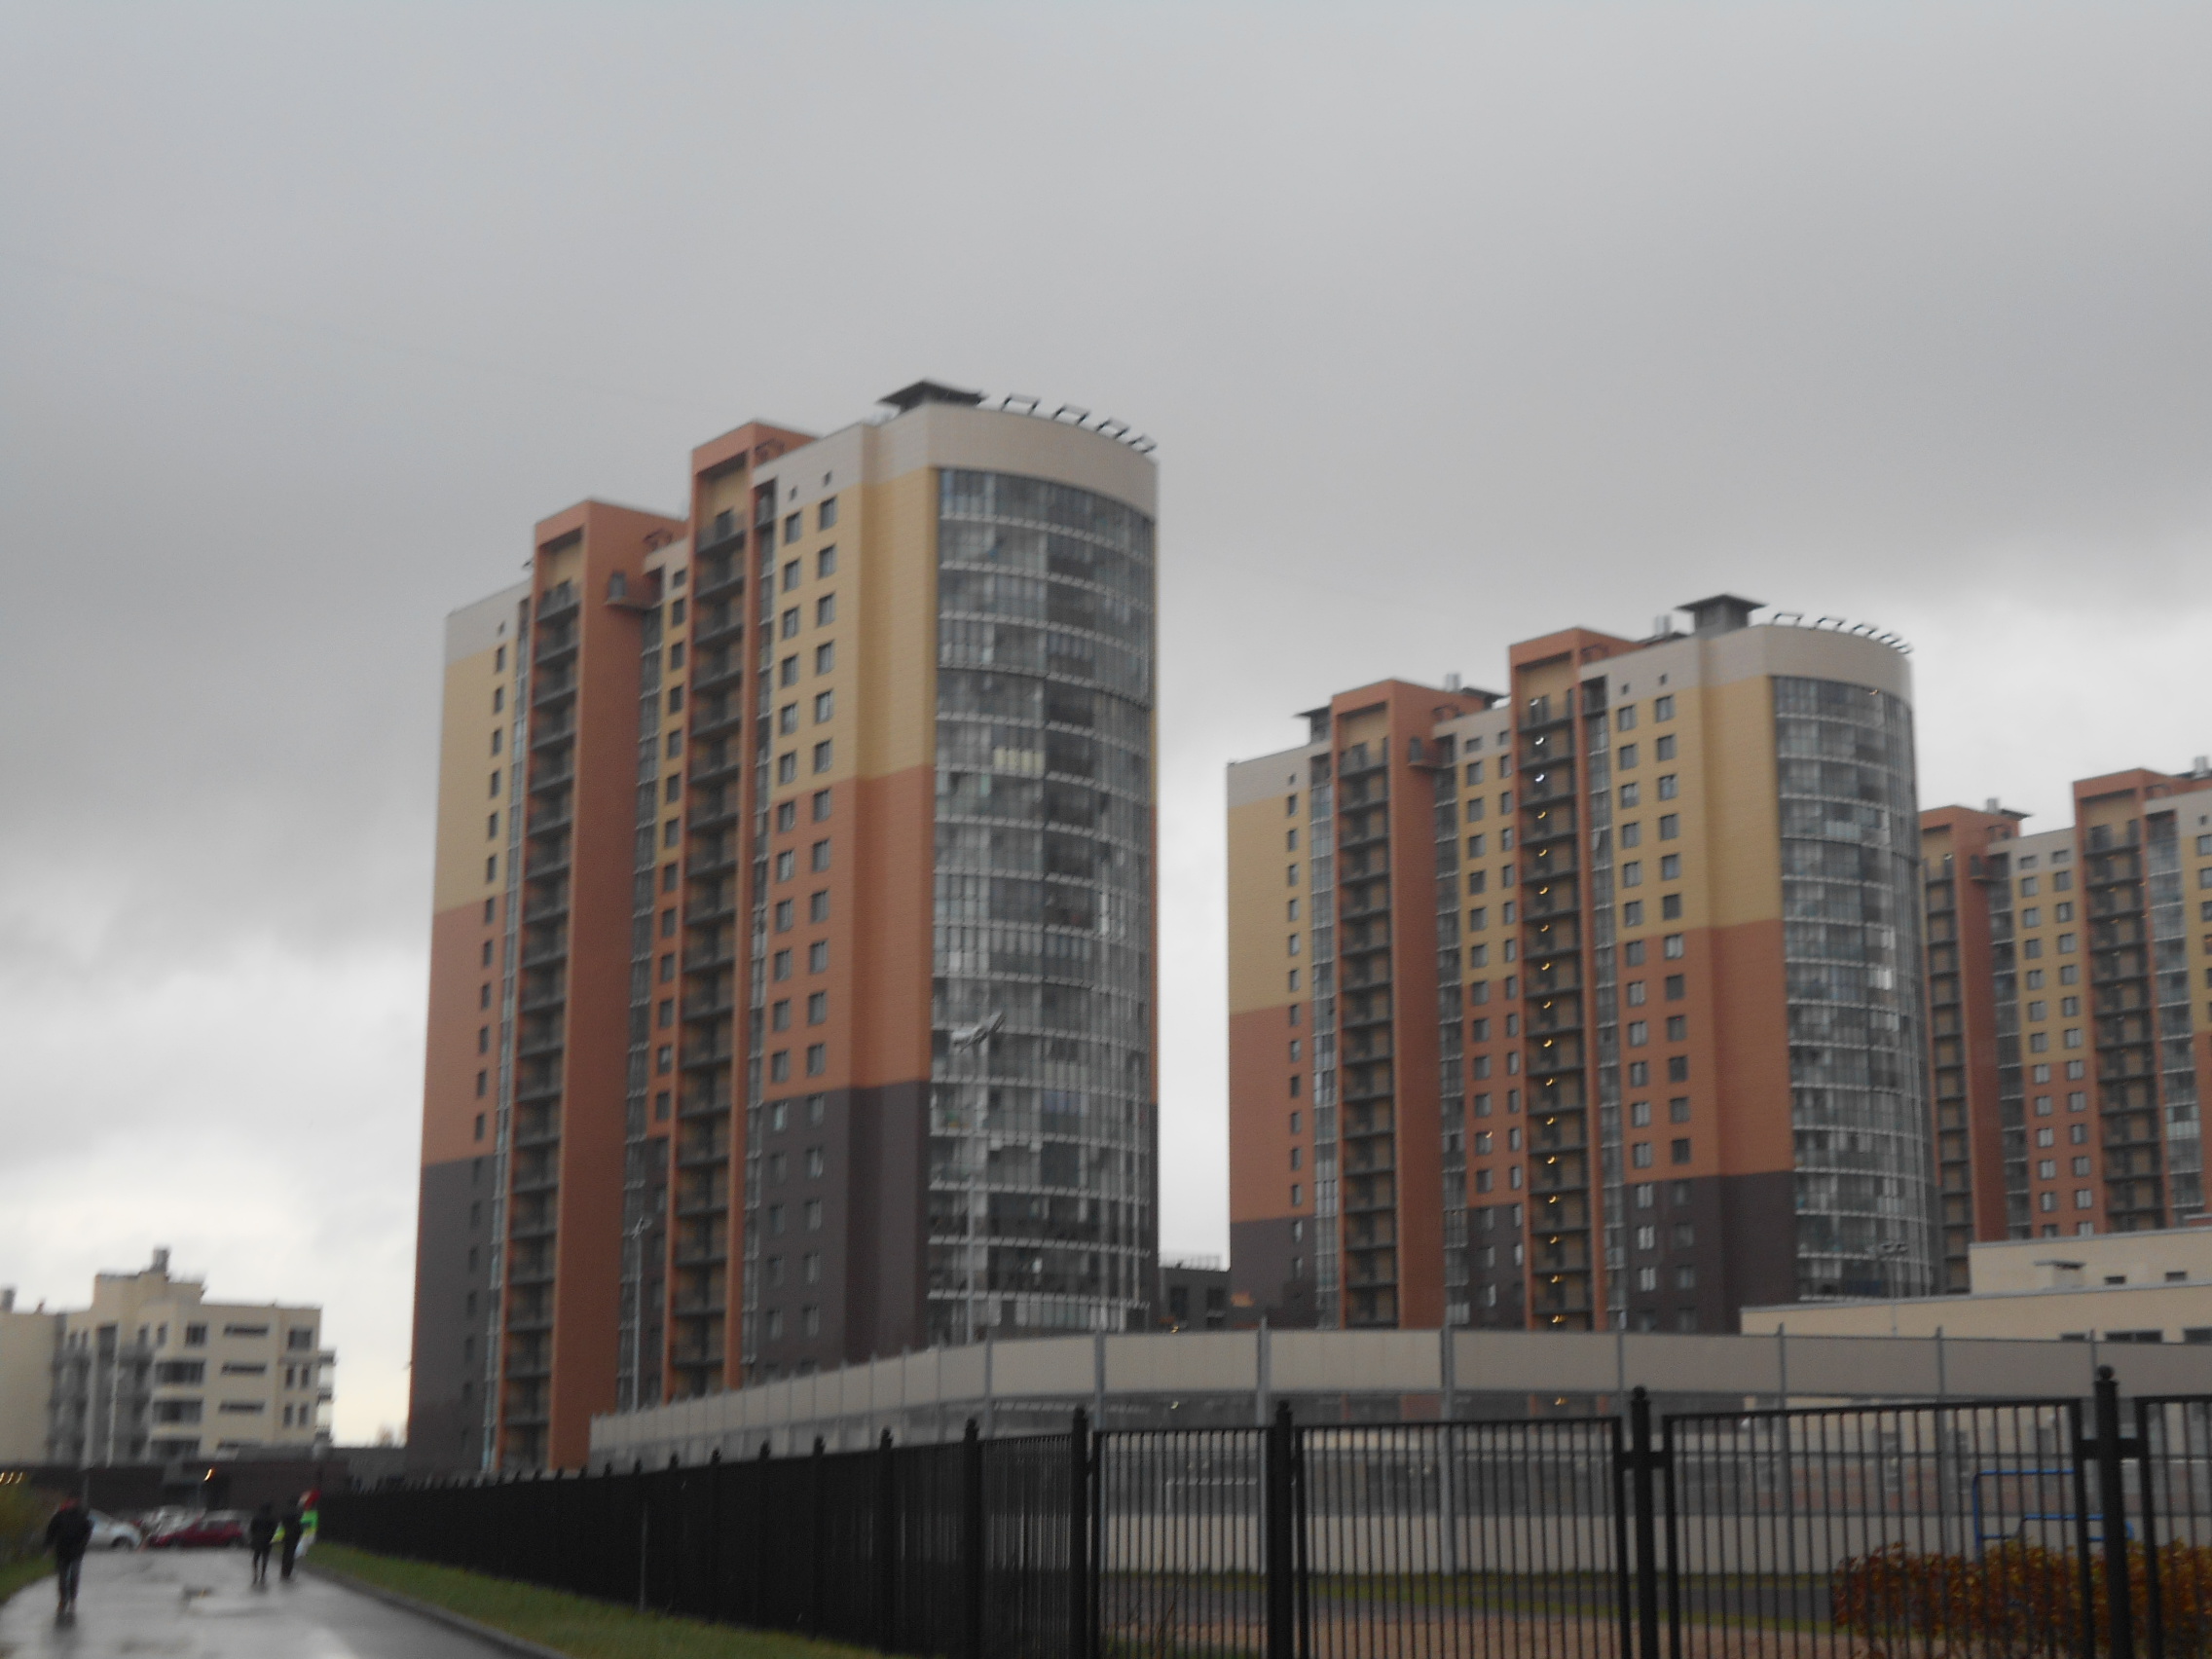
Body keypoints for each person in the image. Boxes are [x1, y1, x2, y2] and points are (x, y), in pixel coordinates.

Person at [44, 1498, 93, 1616]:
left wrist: (83, 1544)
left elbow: (87, 1531)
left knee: (74, 1576)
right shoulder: (59, 1517)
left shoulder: (81, 1517)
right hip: (62, 1552)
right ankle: (62, 1600)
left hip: (76, 1552)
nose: (70, 1504)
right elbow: (50, 1531)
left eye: (72, 1502)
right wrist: (48, 1546)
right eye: (69, 1502)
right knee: (62, 1579)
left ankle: (72, 1600)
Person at [247, 1503, 277, 1585]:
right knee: (265, 1557)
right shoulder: (272, 1518)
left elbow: (252, 1528)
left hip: (257, 1539)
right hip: (267, 1540)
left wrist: (253, 1536)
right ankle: (263, 1575)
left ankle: (255, 1574)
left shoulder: (256, 1517)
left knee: (256, 1557)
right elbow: (274, 1529)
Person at [276, 1502, 304, 1581]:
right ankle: (288, 1571)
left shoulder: (285, 1513)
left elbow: (282, 1523)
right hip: (294, 1535)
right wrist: (300, 1533)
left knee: (285, 1552)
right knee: (291, 1553)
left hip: (286, 1534)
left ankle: (283, 1570)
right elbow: (299, 1524)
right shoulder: (298, 1513)